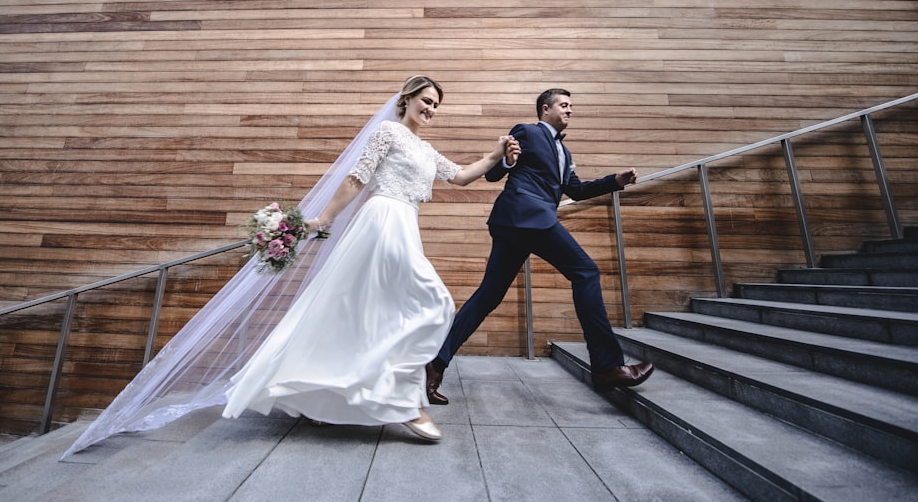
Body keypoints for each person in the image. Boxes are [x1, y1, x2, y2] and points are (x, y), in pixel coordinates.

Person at [61, 76, 519, 457]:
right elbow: (355, 179)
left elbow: (458, 175)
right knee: (431, 299)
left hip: (405, 225)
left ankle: (338, 392)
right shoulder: (387, 133)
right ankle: (402, 402)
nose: (431, 110)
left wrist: (497, 154)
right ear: (406, 100)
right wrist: (322, 218)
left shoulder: (425, 147)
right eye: (425, 101)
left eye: (436, 105)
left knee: (369, 312)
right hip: (380, 222)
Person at [425, 88, 653, 405]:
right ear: (545, 109)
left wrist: (614, 180)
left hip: (519, 223)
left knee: (488, 296)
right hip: (526, 215)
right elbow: (494, 174)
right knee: (586, 271)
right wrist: (506, 161)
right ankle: (608, 367)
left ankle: (435, 363)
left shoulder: (565, 153)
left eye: (572, 105)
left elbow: (576, 190)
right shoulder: (527, 132)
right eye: (564, 105)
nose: (570, 110)